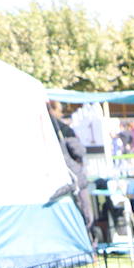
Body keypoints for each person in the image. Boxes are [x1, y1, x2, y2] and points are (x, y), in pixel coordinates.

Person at [47, 100, 94, 238]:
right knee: (85, 216)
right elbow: (78, 151)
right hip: (72, 176)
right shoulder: (63, 129)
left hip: (54, 179)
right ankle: (89, 245)